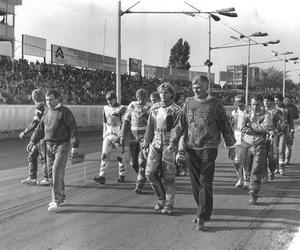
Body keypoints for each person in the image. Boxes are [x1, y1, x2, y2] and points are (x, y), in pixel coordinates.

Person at [168, 75, 236, 230]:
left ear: (207, 87)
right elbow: (180, 124)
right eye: (194, 88)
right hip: (190, 148)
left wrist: (231, 146)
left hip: (209, 147)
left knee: (205, 181)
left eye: (199, 87)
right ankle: (201, 210)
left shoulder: (215, 104)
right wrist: (172, 143)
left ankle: (202, 217)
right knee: (195, 183)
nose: (196, 90)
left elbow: (225, 125)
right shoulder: (188, 102)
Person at [27, 89, 80, 211]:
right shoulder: (46, 112)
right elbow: (40, 129)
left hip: (62, 145)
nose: (48, 102)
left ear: (58, 99)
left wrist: (75, 146)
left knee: (57, 170)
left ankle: (56, 200)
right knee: (51, 175)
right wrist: (32, 141)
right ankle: (61, 197)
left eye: (51, 99)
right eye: (46, 100)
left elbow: (73, 129)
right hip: (48, 146)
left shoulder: (65, 112)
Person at [143, 82, 181, 215]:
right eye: (161, 93)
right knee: (149, 173)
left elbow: (182, 132)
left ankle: (169, 205)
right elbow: (149, 128)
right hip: (155, 143)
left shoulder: (177, 110)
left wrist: (180, 151)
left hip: (170, 145)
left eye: (166, 92)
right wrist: (145, 144)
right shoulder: (154, 109)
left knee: (169, 177)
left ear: (171, 94)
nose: (163, 95)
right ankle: (161, 198)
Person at [241, 94, 272, 205]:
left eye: (257, 104)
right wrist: (256, 130)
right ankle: (246, 179)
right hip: (246, 144)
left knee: (256, 169)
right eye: (253, 104)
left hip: (260, 144)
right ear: (250, 104)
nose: (255, 107)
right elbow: (243, 128)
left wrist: (252, 125)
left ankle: (253, 194)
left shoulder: (267, 114)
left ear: (261, 104)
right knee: (247, 168)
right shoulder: (246, 113)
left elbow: (265, 127)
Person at [119, 89, 151, 193]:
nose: (141, 101)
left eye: (143, 99)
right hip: (133, 137)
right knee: (133, 162)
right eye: (139, 99)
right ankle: (142, 176)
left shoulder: (150, 107)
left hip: (144, 137)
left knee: (142, 161)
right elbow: (126, 121)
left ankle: (139, 185)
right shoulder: (132, 105)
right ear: (137, 98)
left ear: (146, 98)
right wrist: (122, 135)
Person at [93, 90, 127, 184]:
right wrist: (104, 135)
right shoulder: (105, 108)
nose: (109, 101)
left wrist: (121, 135)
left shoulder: (122, 108)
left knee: (119, 156)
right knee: (104, 155)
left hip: (117, 133)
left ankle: (122, 174)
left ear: (115, 99)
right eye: (107, 100)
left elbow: (124, 123)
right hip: (108, 133)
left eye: (111, 99)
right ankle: (102, 176)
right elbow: (104, 121)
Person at [20, 88, 50, 186]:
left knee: (43, 157)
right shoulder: (46, 106)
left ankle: (47, 178)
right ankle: (32, 177)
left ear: (34, 98)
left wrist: (25, 132)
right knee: (32, 155)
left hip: (43, 136)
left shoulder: (40, 107)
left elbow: (35, 122)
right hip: (42, 136)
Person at [230, 94, 248, 188]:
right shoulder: (234, 113)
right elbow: (231, 126)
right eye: (237, 103)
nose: (239, 105)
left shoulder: (248, 112)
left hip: (246, 138)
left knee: (245, 160)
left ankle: (246, 179)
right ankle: (240, 178)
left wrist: (244, 132)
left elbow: (249, 126)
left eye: (240, 103)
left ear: (244, 102)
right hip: (236, 139)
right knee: (237, 161)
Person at [273, 94, 293, 175]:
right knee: (275, 151)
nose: (276, 102)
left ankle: (281, 168)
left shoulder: (287, 109)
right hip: (274, 132)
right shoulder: (273, 109)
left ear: (281, 100)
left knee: (281, 149)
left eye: (277, 100)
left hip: (284, 132)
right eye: (275, 100)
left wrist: (292, 130)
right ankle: (276, 167)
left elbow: (290, 121)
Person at [263, 95, 278, 181]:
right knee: (262, 155)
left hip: (272, 134)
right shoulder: (261, 111)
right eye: (264, 101)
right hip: (262, 134)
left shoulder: (276, 112)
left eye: (267, 101)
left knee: (271, 156)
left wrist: (276, 130)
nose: (266, 103)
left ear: (272, 102)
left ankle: (272, 171)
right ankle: (265, 174)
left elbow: (282, 123)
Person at [283, 96, 298, 165]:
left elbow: (296, 116)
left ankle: (287, 160)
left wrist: (292, 113)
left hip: (289, 127)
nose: (287, 102)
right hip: (280, 128)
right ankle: (281, 159)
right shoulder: (280, 107)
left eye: (288, 100)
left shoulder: (292, 107)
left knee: (288, 144)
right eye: (285, 100)